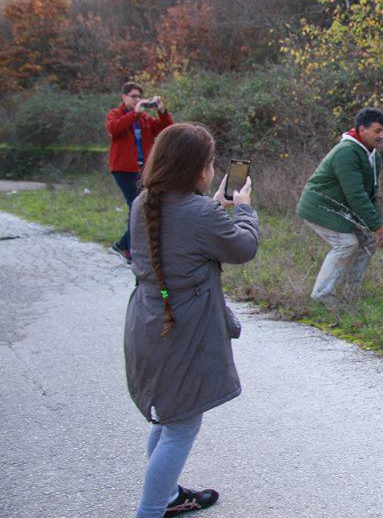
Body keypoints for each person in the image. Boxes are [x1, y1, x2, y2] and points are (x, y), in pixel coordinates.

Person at [124, 123, 258, 518]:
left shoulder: (144, 202)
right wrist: (245, 209)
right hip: (184, 331)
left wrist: (214, 207)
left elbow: (182, 235)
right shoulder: (199, 213)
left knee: (167, 418)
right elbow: (243, 248)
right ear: (200, 170)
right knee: (181, 428)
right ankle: (150, 510)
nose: (213, 169)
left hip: (149, 324)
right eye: (211, 162)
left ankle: (166, 498)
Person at [297, 107, 383, 306]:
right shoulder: (346, 152)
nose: (382, 136)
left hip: (340, 208)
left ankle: (350, 293)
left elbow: (370, 195)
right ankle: (322, 295)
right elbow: (356, 196)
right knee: (347, 243)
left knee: (368, 241)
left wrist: (377, 226)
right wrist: (377, 227)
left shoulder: (374, 157)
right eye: (377, 131)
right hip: (319, 206)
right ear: (362, 129)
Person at [105, 81, 174, 262]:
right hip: (123, 169)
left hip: (142, 169)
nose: (137, 100)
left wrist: (161, 110)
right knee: (137, 205)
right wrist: (134, 113)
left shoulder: (144, 119)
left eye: (139, 97)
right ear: (124, 97)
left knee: (142, 206)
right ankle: (127, 248)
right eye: (133, 96)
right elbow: (114, 129)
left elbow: (166, 129)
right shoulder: (116, 114)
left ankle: (123, 246)